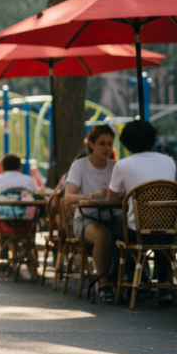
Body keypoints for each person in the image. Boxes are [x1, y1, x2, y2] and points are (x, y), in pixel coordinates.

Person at [106, 119, 177, 307]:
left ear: (126, 143)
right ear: (153, 140)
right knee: (160, 232)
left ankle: (129, 280)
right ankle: (164, 289)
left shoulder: (122, 165)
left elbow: (111, 200)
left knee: (115, 234)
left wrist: (129, 194)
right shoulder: (168, 161)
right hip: (169, 228)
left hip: (137, 231)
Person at [63, 125, 119, 303]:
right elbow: (68, 198)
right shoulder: (79, 165)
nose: (107, 148)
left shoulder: (116, 166)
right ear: (91, 144)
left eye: (110, 143)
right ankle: (104, 285)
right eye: (102, 143)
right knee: (102, 235)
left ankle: (134, 280)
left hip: (114, 216)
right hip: (86, 217)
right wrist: (89, 196)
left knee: (131, 231)